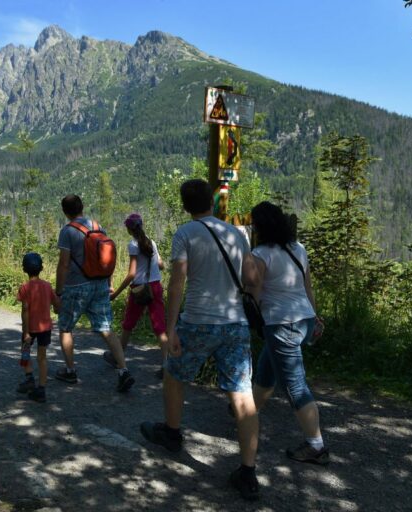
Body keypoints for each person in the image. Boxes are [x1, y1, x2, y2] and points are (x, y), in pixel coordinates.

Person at [140, 179, 261, 500]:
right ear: (212, 201)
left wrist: (170, 328)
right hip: (235, 325)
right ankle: (248, 473)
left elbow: (177, 282)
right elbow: (252, 279)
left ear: (185, 205)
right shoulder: (237, 234)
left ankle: (172, 433)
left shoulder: (185, 233)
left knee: (174, 375)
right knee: (242, 395)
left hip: (197, 322)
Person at [247, 201, 329, 465]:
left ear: (259, 227)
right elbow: (308, 287)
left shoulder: (261, 254)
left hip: (282, 324)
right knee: (267, 369)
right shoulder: (298, 248)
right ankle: (248, 413)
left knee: (295, 385)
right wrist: (314, 317)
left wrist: (257, 317)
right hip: (303, 320)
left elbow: (254, 291)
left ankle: (316, 445)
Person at [54, 194, 135, 393]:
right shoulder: (98, 227)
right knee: (106, 328)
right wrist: (109, 283)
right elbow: (105, 259)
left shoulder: (68, 231)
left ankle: (70, 371)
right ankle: (123, 370)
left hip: (76, 287)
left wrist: (58, 291)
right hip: (99, 285)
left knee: (65, 328)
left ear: (65, 212)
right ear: (82, 207)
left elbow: (64, 264)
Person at [107, 213, 168, 378]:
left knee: (128, 324)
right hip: (155, 286)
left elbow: (132, 274)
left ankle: (117, 357)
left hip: (140, 289)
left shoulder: (133, 244)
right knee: (160, 327)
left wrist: (116, 293)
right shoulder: (151, 242)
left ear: (128, 229)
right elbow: (161, 265)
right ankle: (167, 365)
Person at [16, 252, 61, 403]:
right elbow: (57, 307)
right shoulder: (48, 286)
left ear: (24, 269)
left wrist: (26, 332)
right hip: (45, 329)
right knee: (42, 358)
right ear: (41, 268)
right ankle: (41, 390)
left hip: (31, 329)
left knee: (25, 351)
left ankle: (29, 378)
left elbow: (25, 311)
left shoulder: (25, 287)